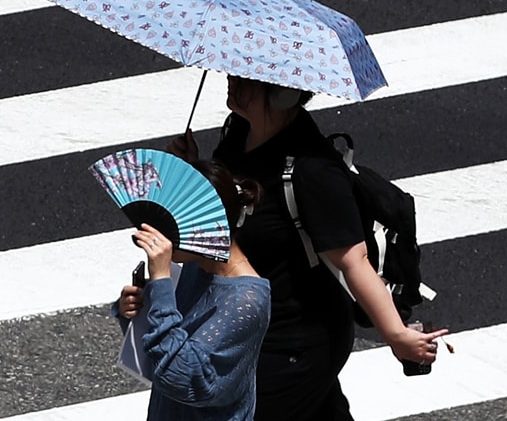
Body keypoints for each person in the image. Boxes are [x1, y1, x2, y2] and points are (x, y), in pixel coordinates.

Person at [170, 76, 447, 421]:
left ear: (283, 93)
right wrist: (192, 168)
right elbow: (226, 211)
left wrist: (395, 335)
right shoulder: (236, 134)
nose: (231, 81)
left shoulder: (312, 169)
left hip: (294, 342)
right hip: (252, 324)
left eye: (245, 79)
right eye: (231, 74)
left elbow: (354, 261)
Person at [113, 160, 271, 421]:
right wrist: (134, 310)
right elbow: (157, 348)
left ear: (204, 226)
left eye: (168, 225)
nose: (159, 235)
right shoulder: (194, 266)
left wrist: (162, 281)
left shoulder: (247, 300)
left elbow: (179, 376)